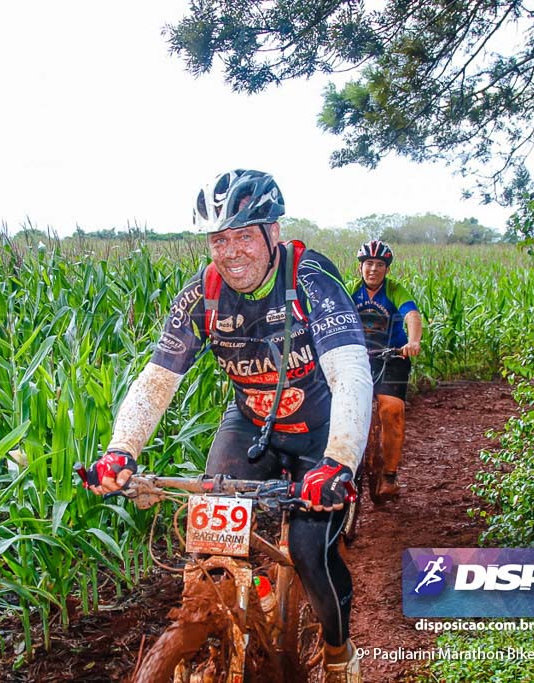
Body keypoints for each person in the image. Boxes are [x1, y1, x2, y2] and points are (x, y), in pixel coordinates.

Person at [87, 169, 371, 682]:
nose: (231, 251)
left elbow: (351, 372)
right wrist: (120, 451)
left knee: (311, 554)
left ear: (274, 233)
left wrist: (339, 463)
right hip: (252, 423)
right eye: (220, 239)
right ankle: (253, 596)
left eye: (244, 235)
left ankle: (338, 653)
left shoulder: (312, 280)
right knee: (210, 536)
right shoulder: (206, 293)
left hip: (321, 431)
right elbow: (158, 378)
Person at [349, 239, 423, 500]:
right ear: (360, 267)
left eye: (380, 265)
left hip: (393, 356)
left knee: (391, 409)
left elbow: (411, 315)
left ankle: (389, 474)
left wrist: (413, 341)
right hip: (357, 357)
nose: (373, 269)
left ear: (387, 270)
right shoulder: (350, 291)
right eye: (368, 263)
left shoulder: (394, 290)